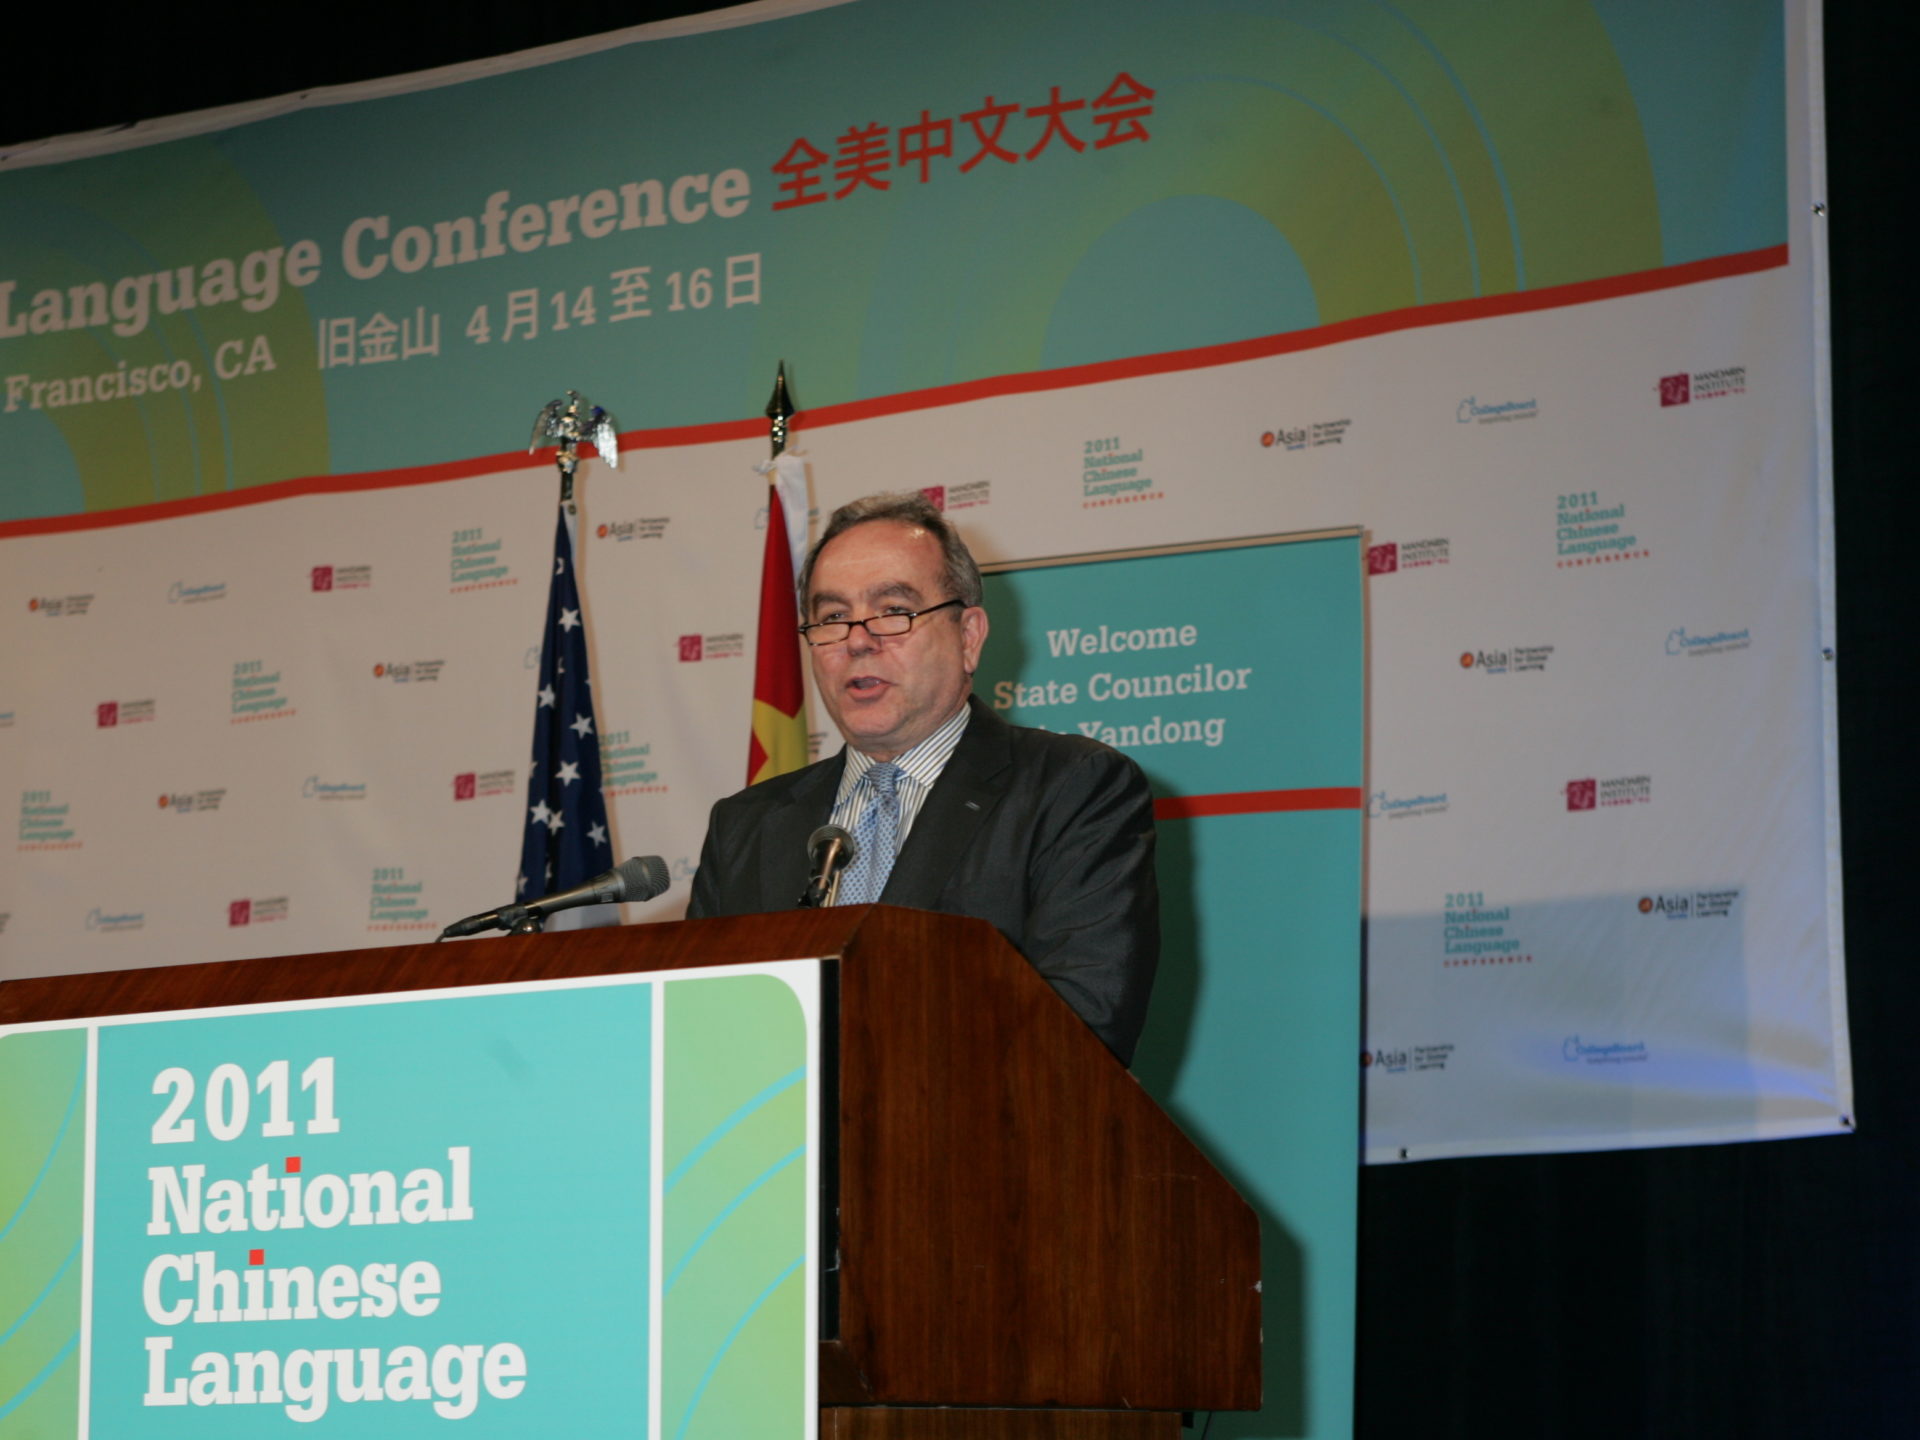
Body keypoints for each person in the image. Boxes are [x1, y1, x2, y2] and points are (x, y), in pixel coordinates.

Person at [688, 492, 1159, 1065]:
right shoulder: (744, 825)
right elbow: (698, 1037)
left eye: (894, 610)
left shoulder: (1071, 789)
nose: (858, 639)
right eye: (832, 618)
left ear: (968, 637)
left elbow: (1082, 1026)